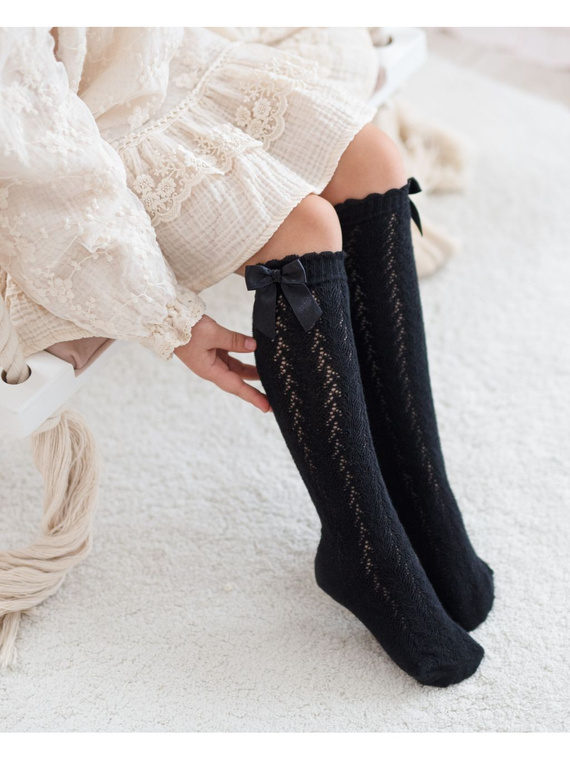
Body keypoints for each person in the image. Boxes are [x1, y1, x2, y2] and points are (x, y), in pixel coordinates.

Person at [0, 27, 493, 686]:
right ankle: (363, 548)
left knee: (376, 161)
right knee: (305, 230)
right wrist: (171, 320)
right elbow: (41, 156)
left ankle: (421, 493)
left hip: (156, 65)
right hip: (66, 143)